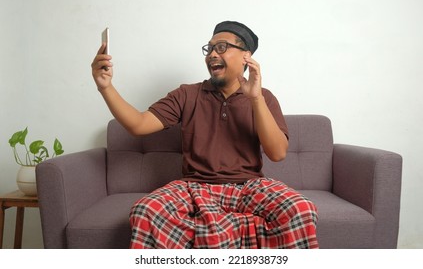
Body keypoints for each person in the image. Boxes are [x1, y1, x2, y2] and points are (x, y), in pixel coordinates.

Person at [91, 21, 319, 249]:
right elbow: (138, 125)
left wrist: (255, 98)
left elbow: (277, 153)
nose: (211, 55)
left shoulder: (264, 98)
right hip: (194, 186)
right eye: (208, 49)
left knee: (301, 210)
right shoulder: (187, 94)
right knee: (145, 211)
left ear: (246, 57)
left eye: (221, 47)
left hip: (249, 186)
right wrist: (105, 87)